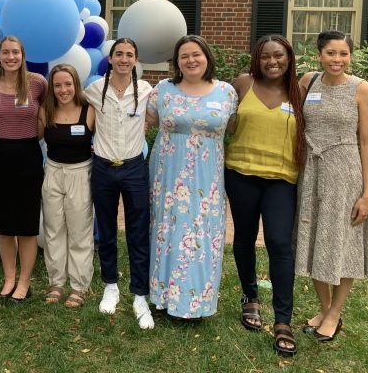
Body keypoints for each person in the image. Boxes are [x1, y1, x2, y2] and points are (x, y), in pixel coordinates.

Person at [146, 35, 237, 321]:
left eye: (196, 54)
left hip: (207, 178)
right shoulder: (162, 90)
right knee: (168, 230)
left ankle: (197, 302)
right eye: (184, 56)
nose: (191, 60)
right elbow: (141, 122)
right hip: (168, 175)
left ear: (207, 57)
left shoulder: (227, 92)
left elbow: (234, 128)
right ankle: (162, 297)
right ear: (177, 62)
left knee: (202, 234)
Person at [295, 30, 368, 343]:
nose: (337, 60)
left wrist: (367, 194)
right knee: (315, 237)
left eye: (344, 54)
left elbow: (367, 142)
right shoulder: (308, 82)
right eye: (331, 53)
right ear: (319, 54)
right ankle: (327, 309)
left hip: (345, 174)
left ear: (350, 56)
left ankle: (334, 312)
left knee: (344, 242)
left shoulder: (362, 89)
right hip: (312, 172)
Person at [224, 35, 305, 357]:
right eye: (266, 57)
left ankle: (283, 320)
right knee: (244, 237)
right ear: (257, 59)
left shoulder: (300, 90)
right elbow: (223, 120)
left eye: (279, 56)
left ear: (289, 58)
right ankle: (250, 298)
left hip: (282, 180)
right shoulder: (242, 84)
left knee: (280, 243)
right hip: (241, 174)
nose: (273, 62)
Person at [84, 37, 155, 330]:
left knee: (138, 232)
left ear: (136, 60)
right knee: (107, 229)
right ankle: (110, 285)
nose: (124, 59)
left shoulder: (148, 90)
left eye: (130, 55)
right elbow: (87, 125)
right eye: (119, 54)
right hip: (102, 168)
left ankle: (140, 294)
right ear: (111, 59)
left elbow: (156, 118)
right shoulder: (94, 90)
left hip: (134, 168)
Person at [0, 36, 47, 304]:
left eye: (15, 52)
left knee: (26, 224)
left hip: (28, 155)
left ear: (22, 55)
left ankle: (24, 282)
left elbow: (47, 117)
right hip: (1, 156)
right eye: (5, 53)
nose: (10, 57)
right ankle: (9, 279)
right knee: (4, 224)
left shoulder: (37, 84)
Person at [38, 63, 95, 308]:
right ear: (52, 88)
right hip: (52, 172)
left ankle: (79, 285)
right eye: (58, 85)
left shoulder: (89, 110)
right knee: (53, 230)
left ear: (76, 85)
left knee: (79, 231)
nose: (63, 89)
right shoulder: (45, 111)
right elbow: (33, 138)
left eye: (68, 84)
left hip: (80, 173)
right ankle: (56, 282)